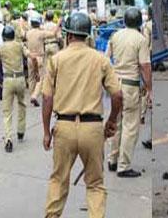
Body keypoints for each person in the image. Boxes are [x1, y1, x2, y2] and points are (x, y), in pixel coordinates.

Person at [42, 12, 123, 218]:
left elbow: (47, 99)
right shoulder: (100, 60)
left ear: (68, 35)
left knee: (58, 181)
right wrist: (112, 121)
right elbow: (117, 94)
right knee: (95, 184)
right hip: (92, 129)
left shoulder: (56, 59)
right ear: (87, 35)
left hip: (64, 127)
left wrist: (46, 132)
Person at [106, 8, 152, 178]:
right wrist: (149, 88)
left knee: (116, 123)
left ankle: (112, 159)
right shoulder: (140, 40)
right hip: (131, 86)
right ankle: (124, 166)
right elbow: (145, 66)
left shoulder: (115, 36)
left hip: (115, 86)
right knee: (130, 126)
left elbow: (106, 59)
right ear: (140, 22)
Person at [0, 25, 29, 153]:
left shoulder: (1, 48)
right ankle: (21, 131)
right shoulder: (19, 45)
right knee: (22, 104)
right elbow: (29, 55)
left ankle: (8, 138)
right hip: (20, 78)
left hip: (8, 80)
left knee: (7, 111)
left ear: (3, 37)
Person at [26, 12, 60, 107]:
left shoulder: (28, 33)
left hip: (30, 57)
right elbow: (53, 33)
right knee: (40, 78)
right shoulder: (41, 33)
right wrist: (59, 23)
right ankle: (35, 96)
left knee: (31, 77)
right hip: (39, 57)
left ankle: (31, 94)